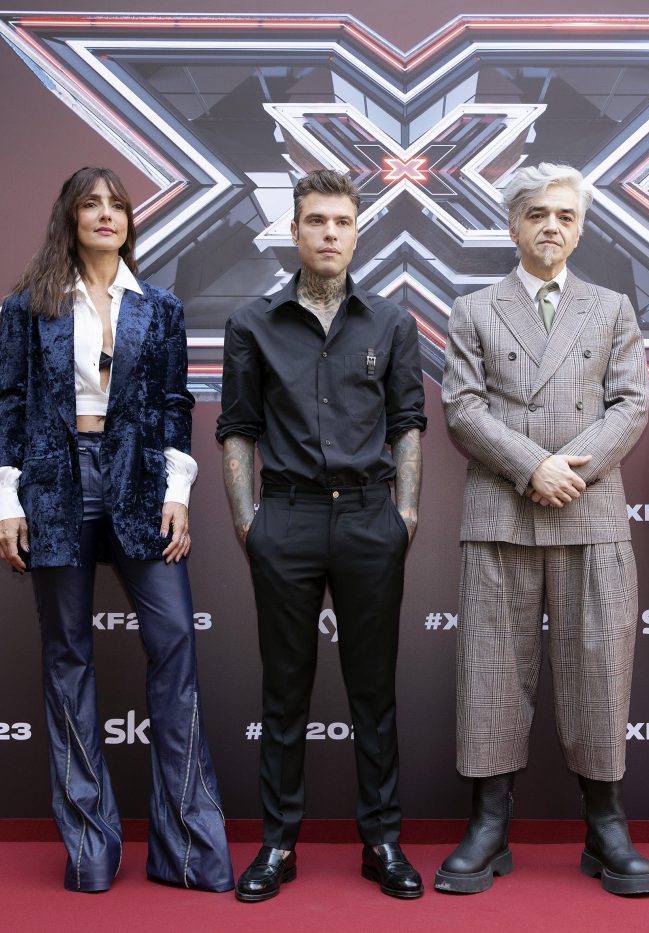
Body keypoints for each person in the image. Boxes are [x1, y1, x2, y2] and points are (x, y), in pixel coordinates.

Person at [0, 167, 232, 894]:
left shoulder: (160, 307)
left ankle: (188, 850)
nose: (105, 214)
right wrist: (6, 498)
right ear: (69, 217)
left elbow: (175, 404)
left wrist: (178, 490)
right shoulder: (29, 306)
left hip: (140, 483)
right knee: (68, 657)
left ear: (129, 220)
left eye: (116, 205)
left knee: (175, 644)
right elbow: (11, 405)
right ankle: (90, 846)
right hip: (54, 484)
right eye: (90, 204)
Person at [437, 163, 649, 897]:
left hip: (590, 513)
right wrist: (534, 467)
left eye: (565, 215)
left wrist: (571, 473)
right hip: (501, 512)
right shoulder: (473, 309)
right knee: (490, 669)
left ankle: (606, 824)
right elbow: (463, 409)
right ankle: (488, 823)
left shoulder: (612, 307)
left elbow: (631, 404)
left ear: (581, 227)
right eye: (537, 214)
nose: (552, 227)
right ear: (513, 225)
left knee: (599, 668)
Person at [216, 169, 427, 902]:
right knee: (284, 693)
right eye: (316, 220)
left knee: (374, 693)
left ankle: (383, 842)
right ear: (295, 230)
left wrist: (405, 515)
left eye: (342, 221)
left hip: (371, 518)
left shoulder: (392, 322)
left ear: (357, 233)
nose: (329, 233)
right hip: (287, 519)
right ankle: (278, 844)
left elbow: (408, 424)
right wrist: (248, 522)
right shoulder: (252, 323)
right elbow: (237, 428)